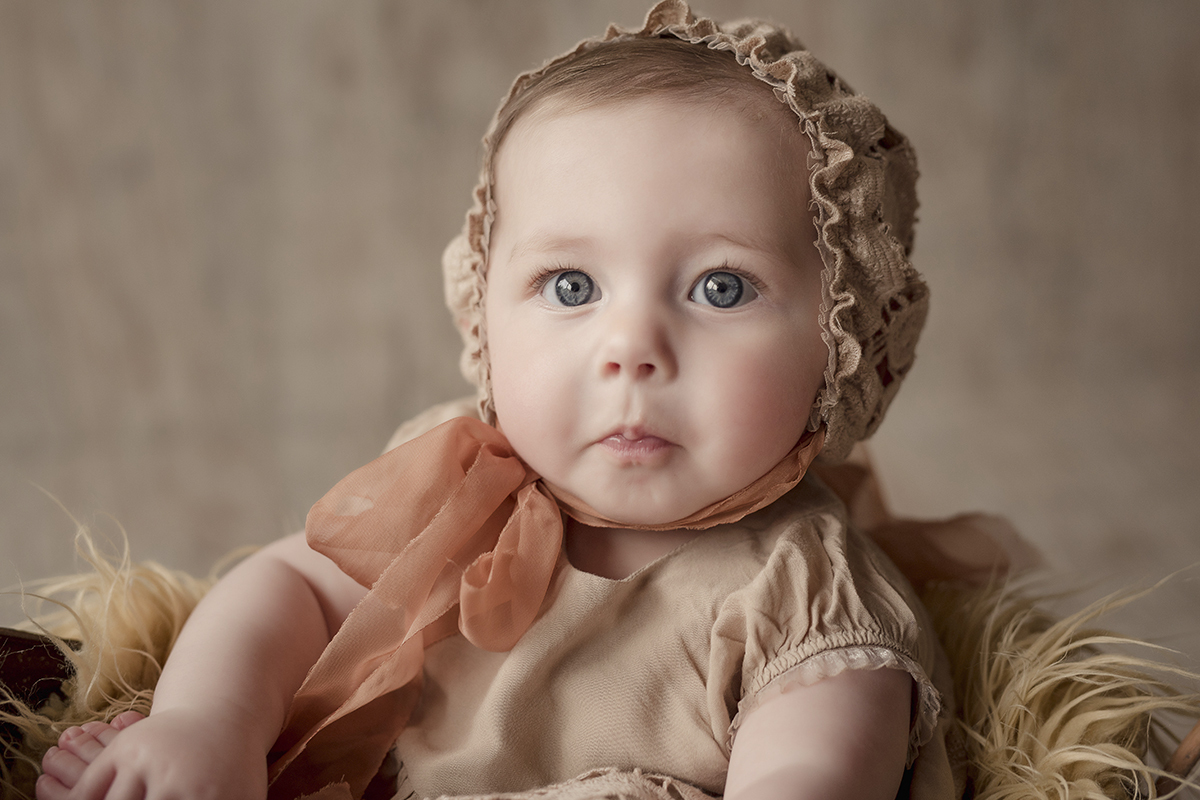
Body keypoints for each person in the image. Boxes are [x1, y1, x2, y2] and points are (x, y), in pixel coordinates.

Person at [34, 3, 965, 798]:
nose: (630, 350)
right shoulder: (458, 480)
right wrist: (211, 728)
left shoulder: (804, 595)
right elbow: (289, 590)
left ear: (842, 338)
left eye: (721, 288)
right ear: (484, 307)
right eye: (570, 286)